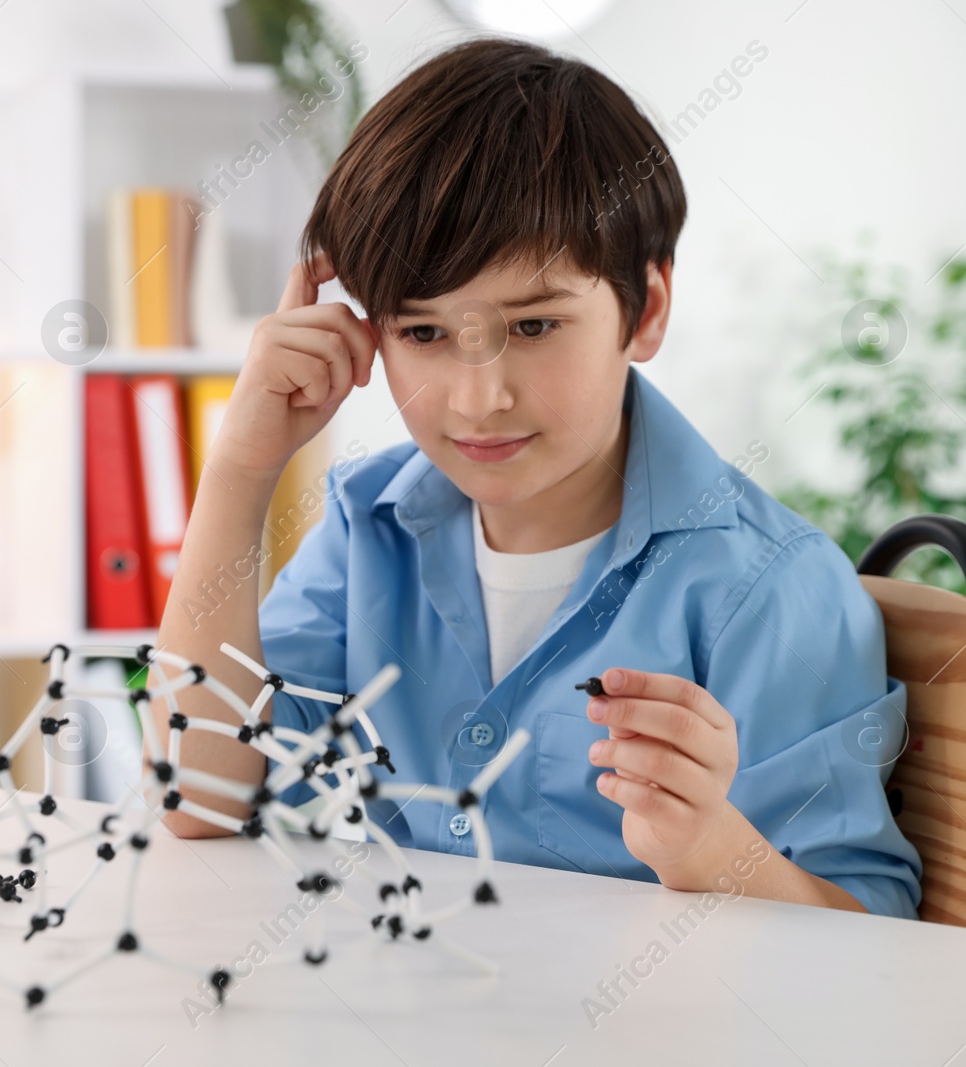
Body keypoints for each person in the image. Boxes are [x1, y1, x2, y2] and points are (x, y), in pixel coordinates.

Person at [152, 37, 921, 919]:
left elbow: (875, 942)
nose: (480, 400)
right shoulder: (369, 530)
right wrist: (241, 467)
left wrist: (712, 849)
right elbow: (199, 796)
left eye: (534, 326)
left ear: (648, 310)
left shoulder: (769, 590)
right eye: (425, 334)